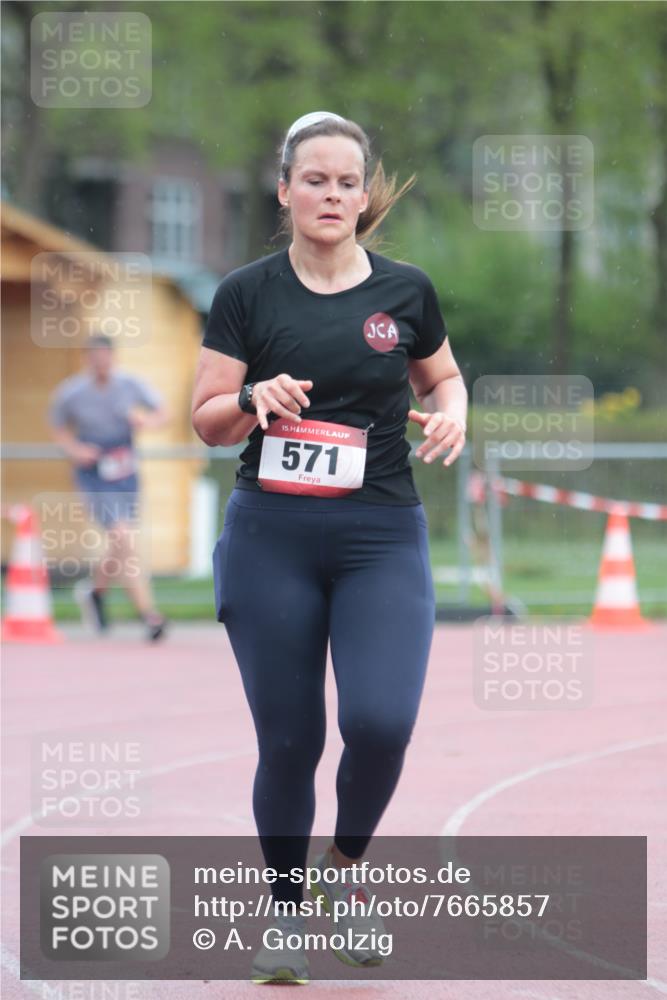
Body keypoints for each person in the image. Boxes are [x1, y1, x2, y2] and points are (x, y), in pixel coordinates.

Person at [191, 111, 467, 984]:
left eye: (347, 182)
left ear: (363, 195)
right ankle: (283, 917)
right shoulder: (246, 293)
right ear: (284, 190)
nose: (332, 195)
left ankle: (341, 872)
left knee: (380, 722)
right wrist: (253, 399)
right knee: (290, 740)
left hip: (379, 534)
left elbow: (442, 376)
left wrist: (453, 413)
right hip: (270, 537)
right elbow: (205, 421)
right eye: (314, 179)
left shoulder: (405, 291)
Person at [49, 334, 170, 642]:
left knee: (121, 540)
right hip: (94, 473)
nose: (101, 363)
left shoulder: (131, 385)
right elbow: (58, 429)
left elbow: (162, 412)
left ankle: (95, 591)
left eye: (105, 357)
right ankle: (150, 615)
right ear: (87, 359)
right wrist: (75, 449)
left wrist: (146, 421)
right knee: (123, 537)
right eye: (95, 358)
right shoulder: (71, 392)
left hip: (125, 470)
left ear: (113, 357)